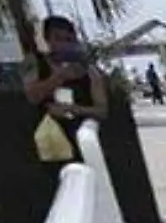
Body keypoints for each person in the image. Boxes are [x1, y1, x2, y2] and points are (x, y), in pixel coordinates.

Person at [23, 15, 108, 164]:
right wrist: (58, 78)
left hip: (83, 142)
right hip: (47, 143)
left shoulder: (89, 70)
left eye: (68, 40)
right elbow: (32, 96)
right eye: (57, 38)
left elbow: (102, 110)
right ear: (47, 40)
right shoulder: (37, 65)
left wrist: (72, 109)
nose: (63, 44)